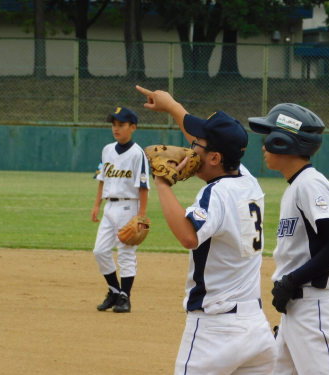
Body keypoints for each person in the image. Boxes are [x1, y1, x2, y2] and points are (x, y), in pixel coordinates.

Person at [136, 85, 277, 375]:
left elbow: (188, 235)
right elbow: (208, 145)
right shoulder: (248, 181)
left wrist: (162, 182)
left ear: (214, 158)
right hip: (255, 327)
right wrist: (172, 106)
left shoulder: (215, 194)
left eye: (197, 145)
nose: (190, 149)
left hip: (215, 330)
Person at [248, 103, 329, 375]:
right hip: (297, 310)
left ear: (283, 142)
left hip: (314, 311)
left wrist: (291, 281)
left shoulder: (309, 185)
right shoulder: (297, 186)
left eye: (268, 138)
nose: (263, 146)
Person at [91, 107, 150, 313]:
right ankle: (114, 291)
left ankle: (125, 297)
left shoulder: (138, 154)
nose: (116, 128)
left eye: (121, 125)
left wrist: (141, 215)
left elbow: (143, 186)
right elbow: (101, 179)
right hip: (109, 206)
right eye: (113, 125)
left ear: (132, 127)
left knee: (125, 252)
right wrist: (97, 204)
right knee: (99, 251)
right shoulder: (107, 149)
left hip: (128, 205)